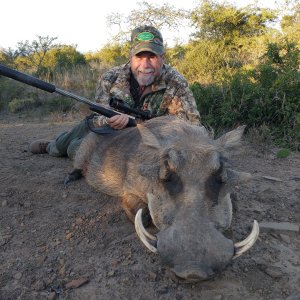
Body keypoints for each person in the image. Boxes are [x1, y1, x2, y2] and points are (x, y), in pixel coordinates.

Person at [29, 25, 201, 159]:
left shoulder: (176, 82)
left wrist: (143, 125)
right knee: (62, 145)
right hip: (109, 131)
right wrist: (114, 120)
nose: (145, 65)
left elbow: (192, 127)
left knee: (77, 150)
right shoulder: (110, 77)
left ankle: (69, 146)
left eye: (152, 57)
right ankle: (53, 145)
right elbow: (98, 117)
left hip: (145, 143)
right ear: (131, 57)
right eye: (140, 57)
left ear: (162, 57)